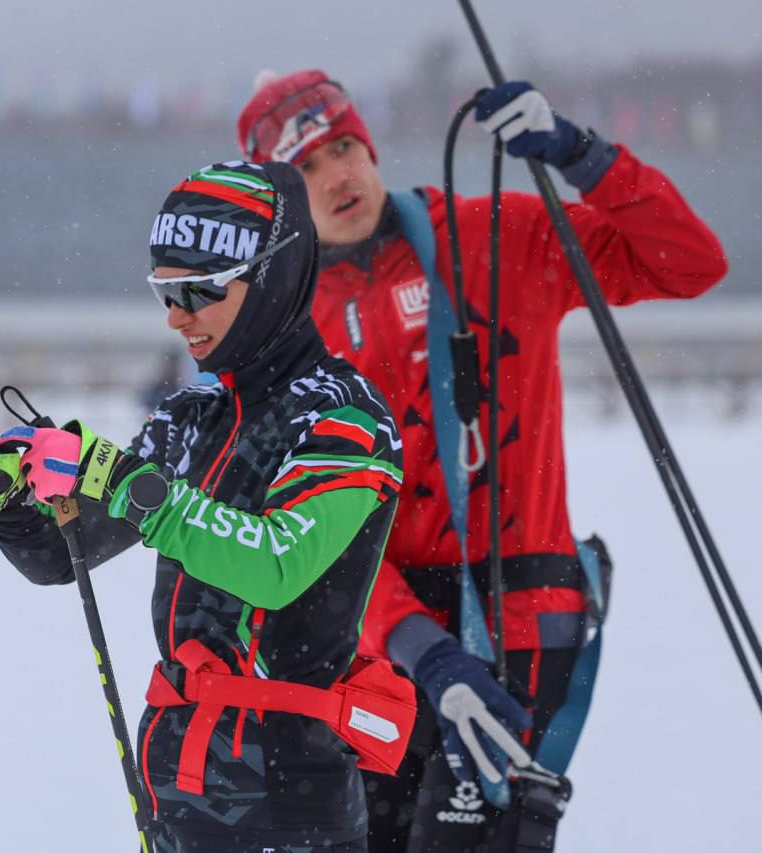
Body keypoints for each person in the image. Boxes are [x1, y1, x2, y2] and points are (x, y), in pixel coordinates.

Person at [235, 71, 729, 852]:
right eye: (305, 169)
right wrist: (421, 649)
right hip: (384, 646)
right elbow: (315, 538)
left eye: (344, 148)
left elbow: (690, 262)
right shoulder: (288, 335)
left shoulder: (498, 234)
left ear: (370, 147)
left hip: (521, 617)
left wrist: (581, 154)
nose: (335, 177)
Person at [0, 160, 418, 852]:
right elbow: (64, 554)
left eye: (198, 290)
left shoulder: (344, 417)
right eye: (164, 291)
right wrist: (5, 498)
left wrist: (121, 477)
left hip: (290, 809)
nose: (175, 316)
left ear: (269, 276)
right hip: (177, 799)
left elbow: (276, 565)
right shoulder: (192, 415)